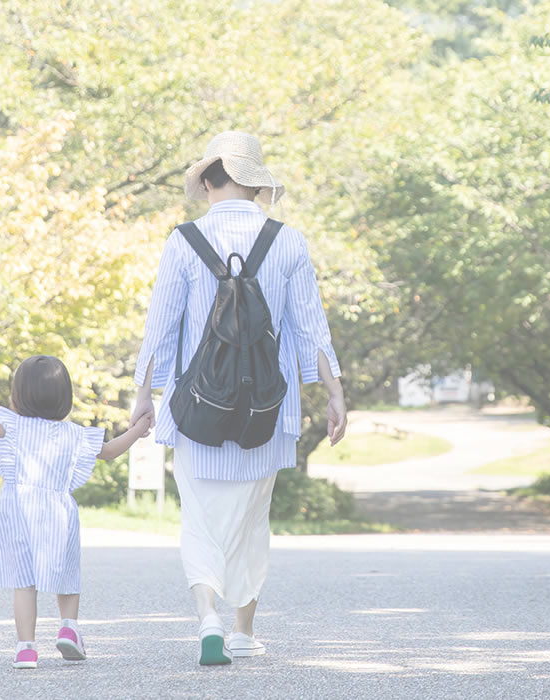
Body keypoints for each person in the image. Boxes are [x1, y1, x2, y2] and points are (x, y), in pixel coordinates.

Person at [130, 131, 348, 665]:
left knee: (199, 521)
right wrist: (335, 392)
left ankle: (208, 618)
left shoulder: (183, 241)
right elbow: (311, 328)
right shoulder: (288, 241)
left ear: (207, 181)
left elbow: (160, 328)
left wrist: (143, 395)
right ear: (255, 184)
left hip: (197, 410)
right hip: (267, 413)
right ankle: (245, 633)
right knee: (253, 521)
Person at [0, 355, 155, 669]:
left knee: (24, 581)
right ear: (64, 398)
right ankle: (69, 627)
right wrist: (138, 429)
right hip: (58, 513)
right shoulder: (75, 435)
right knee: (65, 574)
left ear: (18, 395)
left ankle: (25, 648)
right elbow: (109, 451)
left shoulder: (9, 427)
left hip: (18, 513)